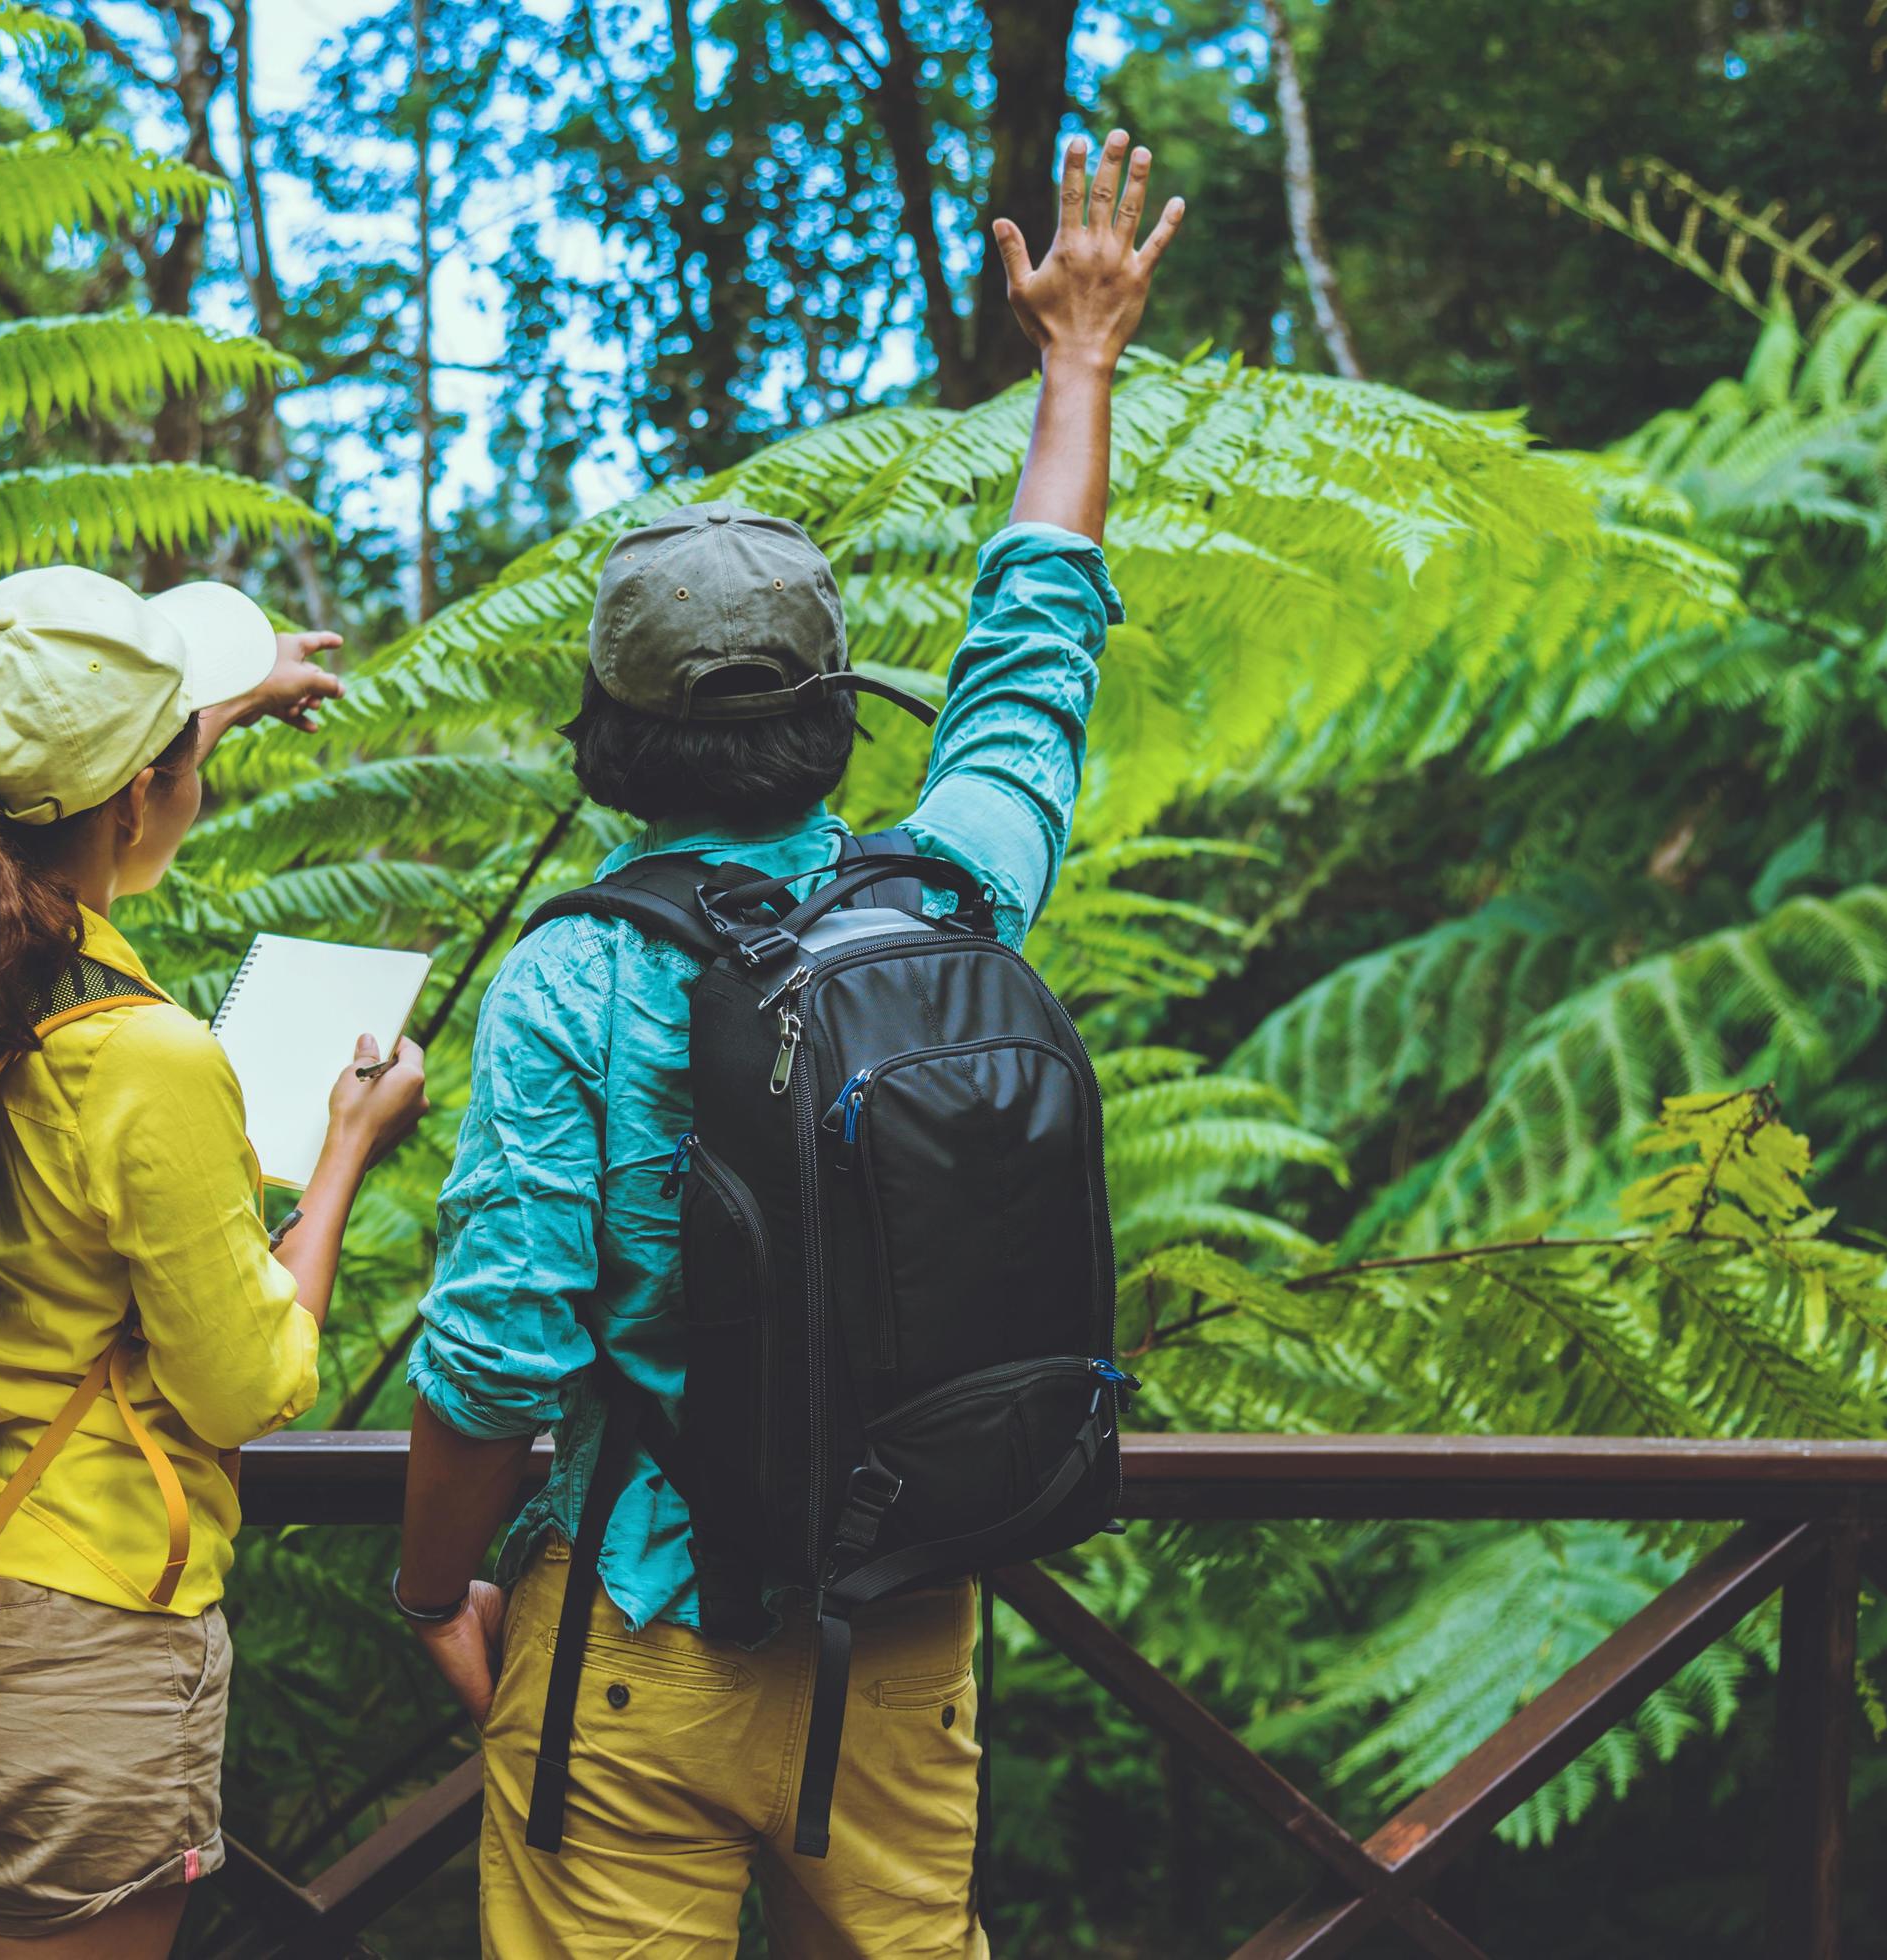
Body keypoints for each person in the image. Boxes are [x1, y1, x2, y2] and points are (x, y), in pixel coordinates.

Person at [393, 129, 1184, 1954]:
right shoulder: (950, 899)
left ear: (605, 739)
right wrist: (1078, 360)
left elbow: (494, 1360)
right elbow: (1032, 655)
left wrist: (438, 1585)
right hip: (902, 1635)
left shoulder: (571, 981)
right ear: (840, 723)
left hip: (640, 1647)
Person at [0, 566, 428, 1957]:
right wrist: (344, 1147)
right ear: (137, 801)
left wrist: (216, 707)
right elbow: (247, 1384)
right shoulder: (148, 1061)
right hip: (82, 1649)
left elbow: (59, 811)